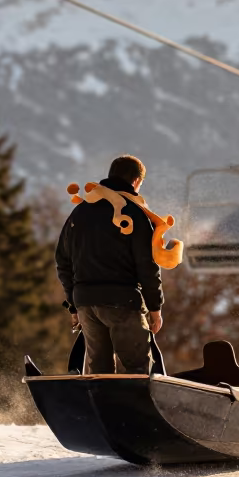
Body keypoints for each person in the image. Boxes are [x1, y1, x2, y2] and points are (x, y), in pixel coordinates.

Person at [55, 155, 163, 374]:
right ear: (135, 182)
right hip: (122, 301)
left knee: (98, 373)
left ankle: (100, 407)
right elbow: (147, 265)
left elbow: (62, 261)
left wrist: (74, 304)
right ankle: (138, 408)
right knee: (138, 370)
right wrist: (155, 307)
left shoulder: (80, 212)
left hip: (85, 302)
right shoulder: (134, 213)